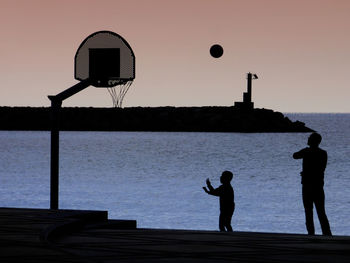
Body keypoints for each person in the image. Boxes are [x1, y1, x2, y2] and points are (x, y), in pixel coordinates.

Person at [293, 132, 332, 236]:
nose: (308, 139)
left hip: (307, 186)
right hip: (318, 185)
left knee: (308, 211)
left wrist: (306, 172)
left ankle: (311, 233)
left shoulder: (306, 151)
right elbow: (321, 169)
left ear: (313, 141)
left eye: (310, 138)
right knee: (321, 211)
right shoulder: (323, 153)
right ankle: (327, 234)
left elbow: (295, 156)